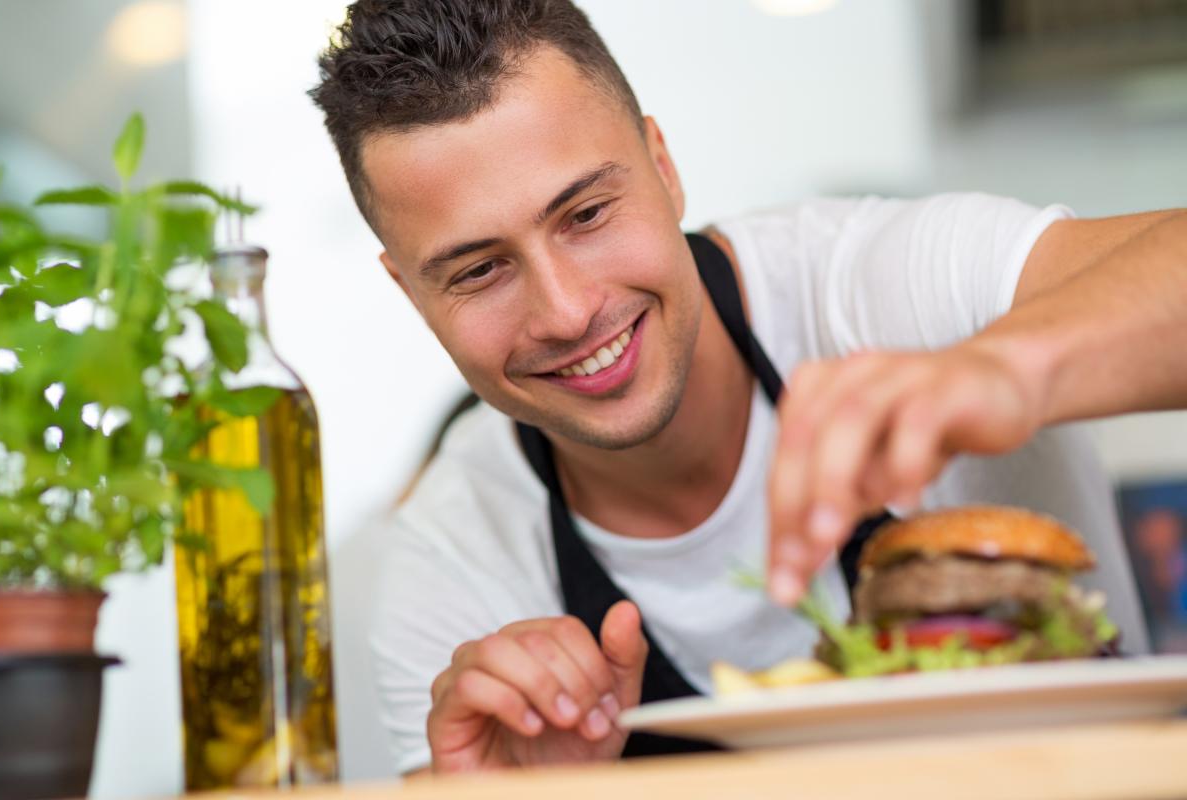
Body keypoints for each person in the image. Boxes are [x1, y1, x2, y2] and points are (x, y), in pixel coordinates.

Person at [309, 0, 1187, 776]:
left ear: (663, 165)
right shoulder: (451, 566)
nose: (568, 311)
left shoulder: (874, 283)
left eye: (586, 215)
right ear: (410, 291)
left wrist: (1005, 365)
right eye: (478, 270)